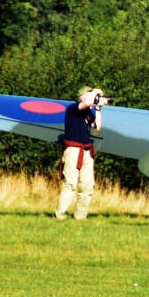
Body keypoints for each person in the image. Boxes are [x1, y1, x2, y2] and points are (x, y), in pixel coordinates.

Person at [54, 86, 108, 220]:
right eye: (89, 95)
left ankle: (80, 216)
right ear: (82, 97)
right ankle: (60, 214)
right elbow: (88, 102)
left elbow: (97, 127)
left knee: (87, 185)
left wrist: (99, 108)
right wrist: (95, 93)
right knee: (70, 183)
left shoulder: (88, 113)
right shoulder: (73, 108)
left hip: (86, 151)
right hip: (73, 150)